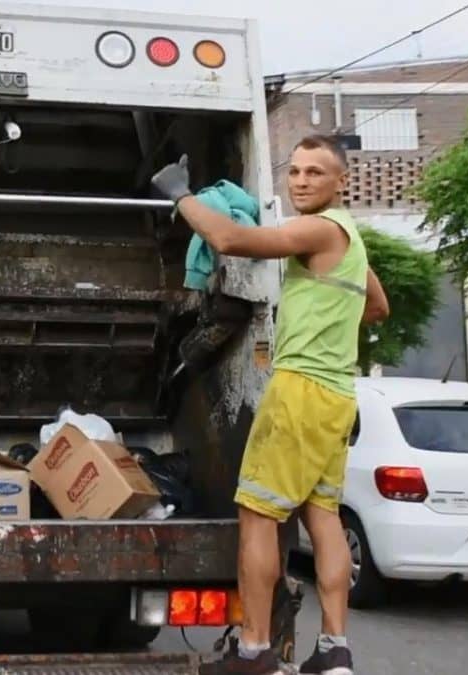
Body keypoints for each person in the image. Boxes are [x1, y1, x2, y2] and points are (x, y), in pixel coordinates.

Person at [151, 135, 390, 675]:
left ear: (341, 181)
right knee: (323, 515)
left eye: (316, 173)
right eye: (296, 171)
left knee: (257, 516)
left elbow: (231, 238)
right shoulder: (350, 240)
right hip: (337, 394)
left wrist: (180, 194)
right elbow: (377, 307)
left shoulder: (318, 228)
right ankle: (334, 651)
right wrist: (327, 314)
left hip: (301, 391)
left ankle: (254, 650)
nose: (301, 181)